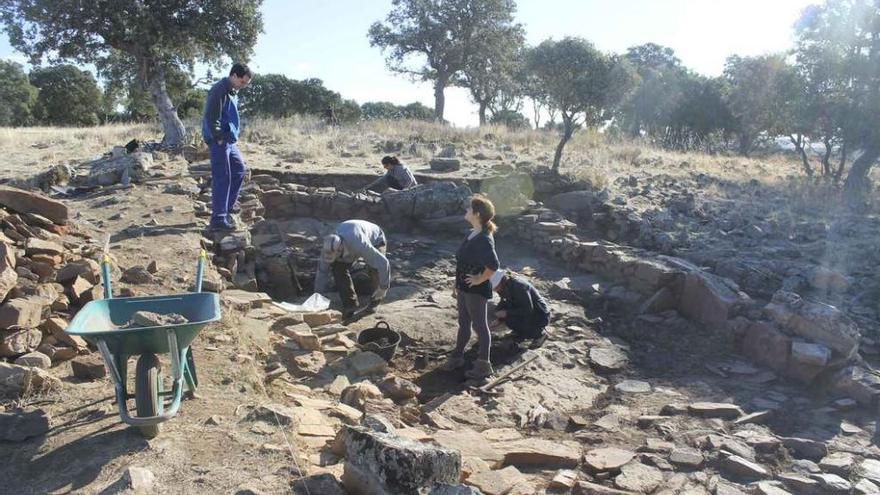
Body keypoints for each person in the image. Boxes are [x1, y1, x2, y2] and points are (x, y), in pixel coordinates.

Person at [444, 194, 500, 379]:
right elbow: (462, 262)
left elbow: (493, 265)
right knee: (463, 322)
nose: (466, 211)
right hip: (464, 286)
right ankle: (458, 356)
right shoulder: (473, 233)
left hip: (476, 290)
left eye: (469, 209)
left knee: (480, 326)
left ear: (476, 214)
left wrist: (478, 280)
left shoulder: (484, 238)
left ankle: (484, 364)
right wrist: (457, 284)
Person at [202, 63, 252, 232]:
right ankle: (218, 219)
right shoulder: (219, 90)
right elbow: (211, 116)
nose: (243, 86)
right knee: (222, 177)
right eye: (243, 82)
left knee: (239, 170)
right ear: (234, 76)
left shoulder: (232, 91)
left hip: (229, 141)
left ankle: (228, 206)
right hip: (220, 141)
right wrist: (218, 137)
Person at [315, 220, 391, 318]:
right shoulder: (328, 247)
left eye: (336, 256)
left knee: (374, 269)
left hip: (375, 238)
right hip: (349, 237)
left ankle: (374, 303)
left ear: (340, 250)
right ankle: (350, 306)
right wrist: (317, 295)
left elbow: (383, 263)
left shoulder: (360, 244)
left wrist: (383, 287)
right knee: (338, 268)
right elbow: (322, 272)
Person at [490, 270, 550, 348]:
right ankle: (520, 333)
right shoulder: (504, 287)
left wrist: (507, 313)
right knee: (508, 319)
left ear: (501, 281)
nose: (494, 290)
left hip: (539, 315)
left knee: (513, 319)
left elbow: (528, 309)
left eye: (495, 287)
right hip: (523, 309)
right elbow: (504, 302)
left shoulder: (519, 286)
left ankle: (540, 334)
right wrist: (499, 317)